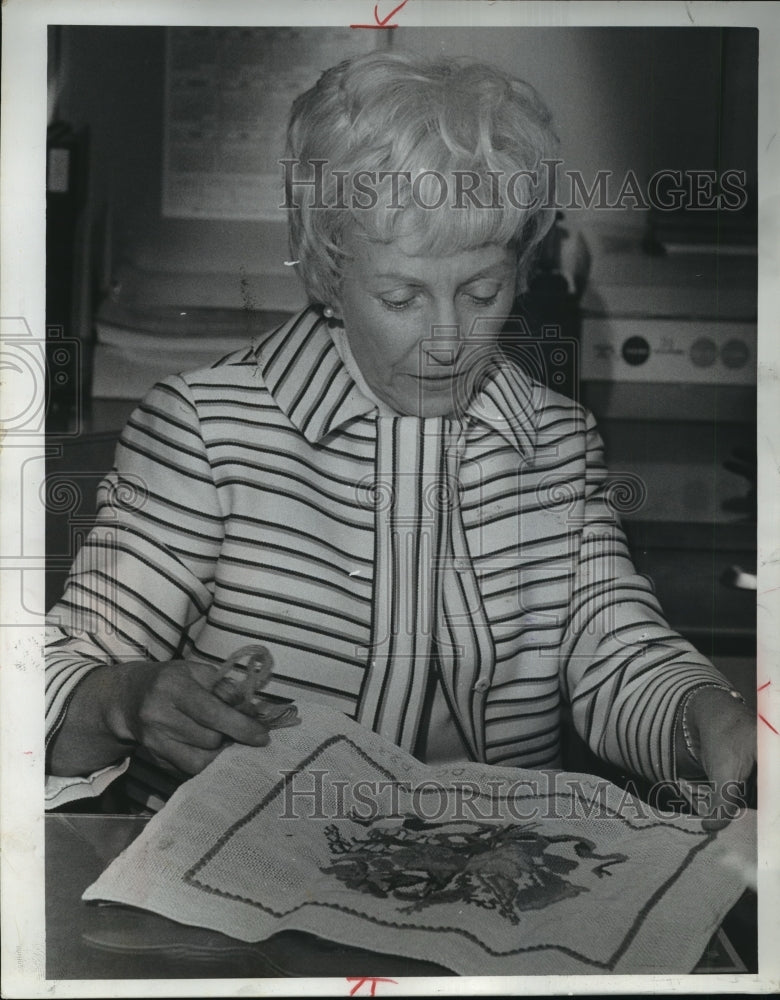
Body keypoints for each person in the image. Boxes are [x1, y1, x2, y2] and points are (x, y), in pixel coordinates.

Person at [45, 51, 755, 819]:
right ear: (328, 273)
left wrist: (711, 723)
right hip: (252, 868)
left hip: (494, 868)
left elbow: (617, 657)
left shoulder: (555, 441)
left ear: (520, 268)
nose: (448, 341)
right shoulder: (207, 431)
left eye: (481, 291)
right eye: (401, 297)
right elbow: (53, 677)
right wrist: (126, 699)